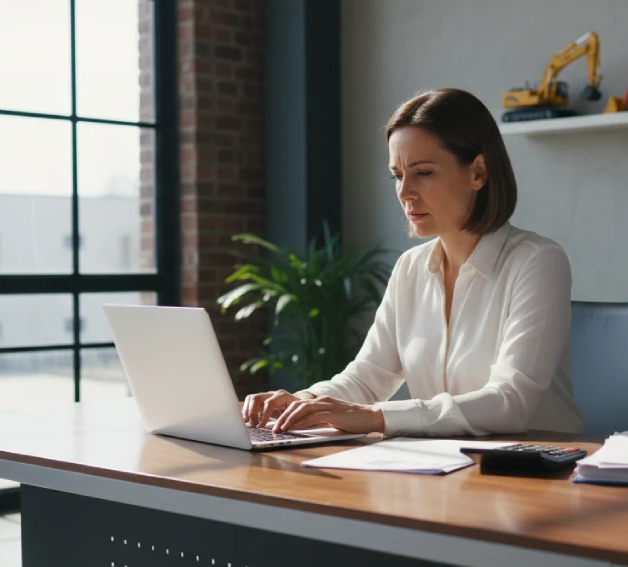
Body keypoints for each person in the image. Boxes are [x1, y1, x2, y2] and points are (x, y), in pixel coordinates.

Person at [242, 88, 584, 437]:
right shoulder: (410, 268)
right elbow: (367, 376)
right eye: (397, 175)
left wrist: (377, 416)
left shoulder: (538, 262)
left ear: (478, 172)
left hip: (536, 474)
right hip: (445, 469)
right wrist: (303, 402)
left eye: (423, 173)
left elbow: (512, 401)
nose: (405, 192)